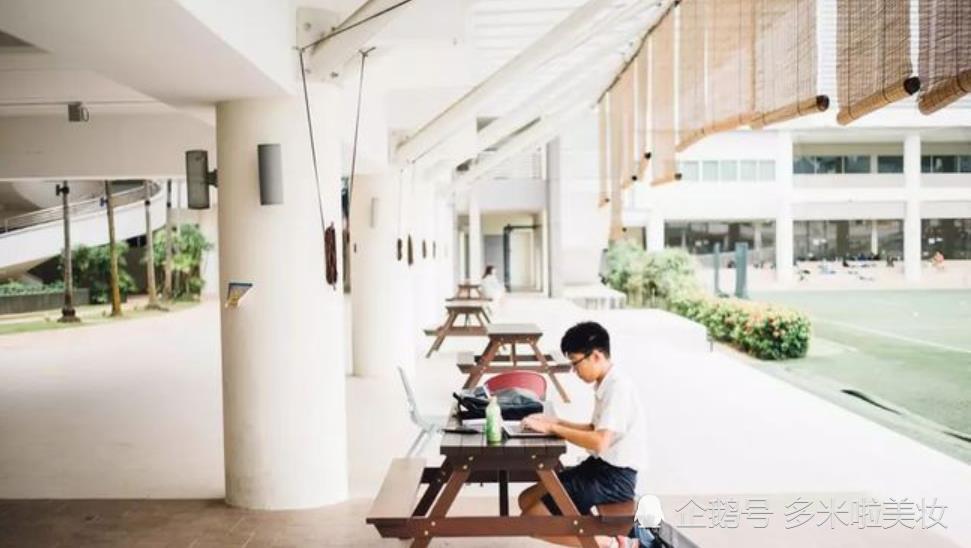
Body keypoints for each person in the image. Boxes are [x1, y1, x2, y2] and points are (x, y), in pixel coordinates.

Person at [517, 322, 648, 548]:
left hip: (613, 480)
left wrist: (553, 429)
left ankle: (614, 545)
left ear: (595, 356)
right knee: (526, 499)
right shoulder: (606, 384)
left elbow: (599, 442)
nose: (574, 370)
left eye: (575, 362)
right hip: (598, 469)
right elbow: (593, 429)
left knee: (530, 522)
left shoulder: (618, 389)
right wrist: (556, 422)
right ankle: (601, 538)